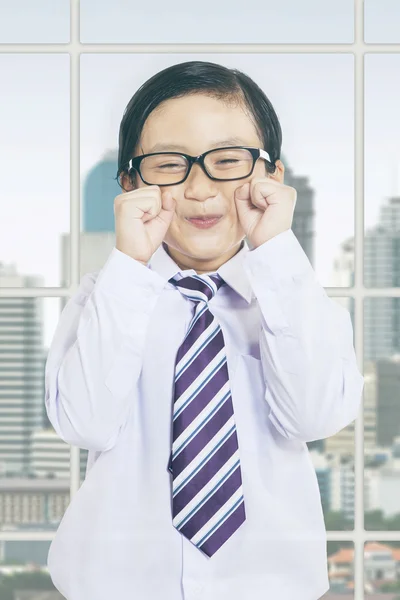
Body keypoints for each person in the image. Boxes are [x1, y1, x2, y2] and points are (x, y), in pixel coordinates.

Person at [45, 60, 364, 600]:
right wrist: (128, 264)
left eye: (228, 161)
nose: (200, 187)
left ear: (271, 177)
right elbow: (85, 425)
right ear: (129, 182)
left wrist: (277, 254)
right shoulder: (105, 297)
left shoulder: (301, 302)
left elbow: (315, 416)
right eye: (168, 164)